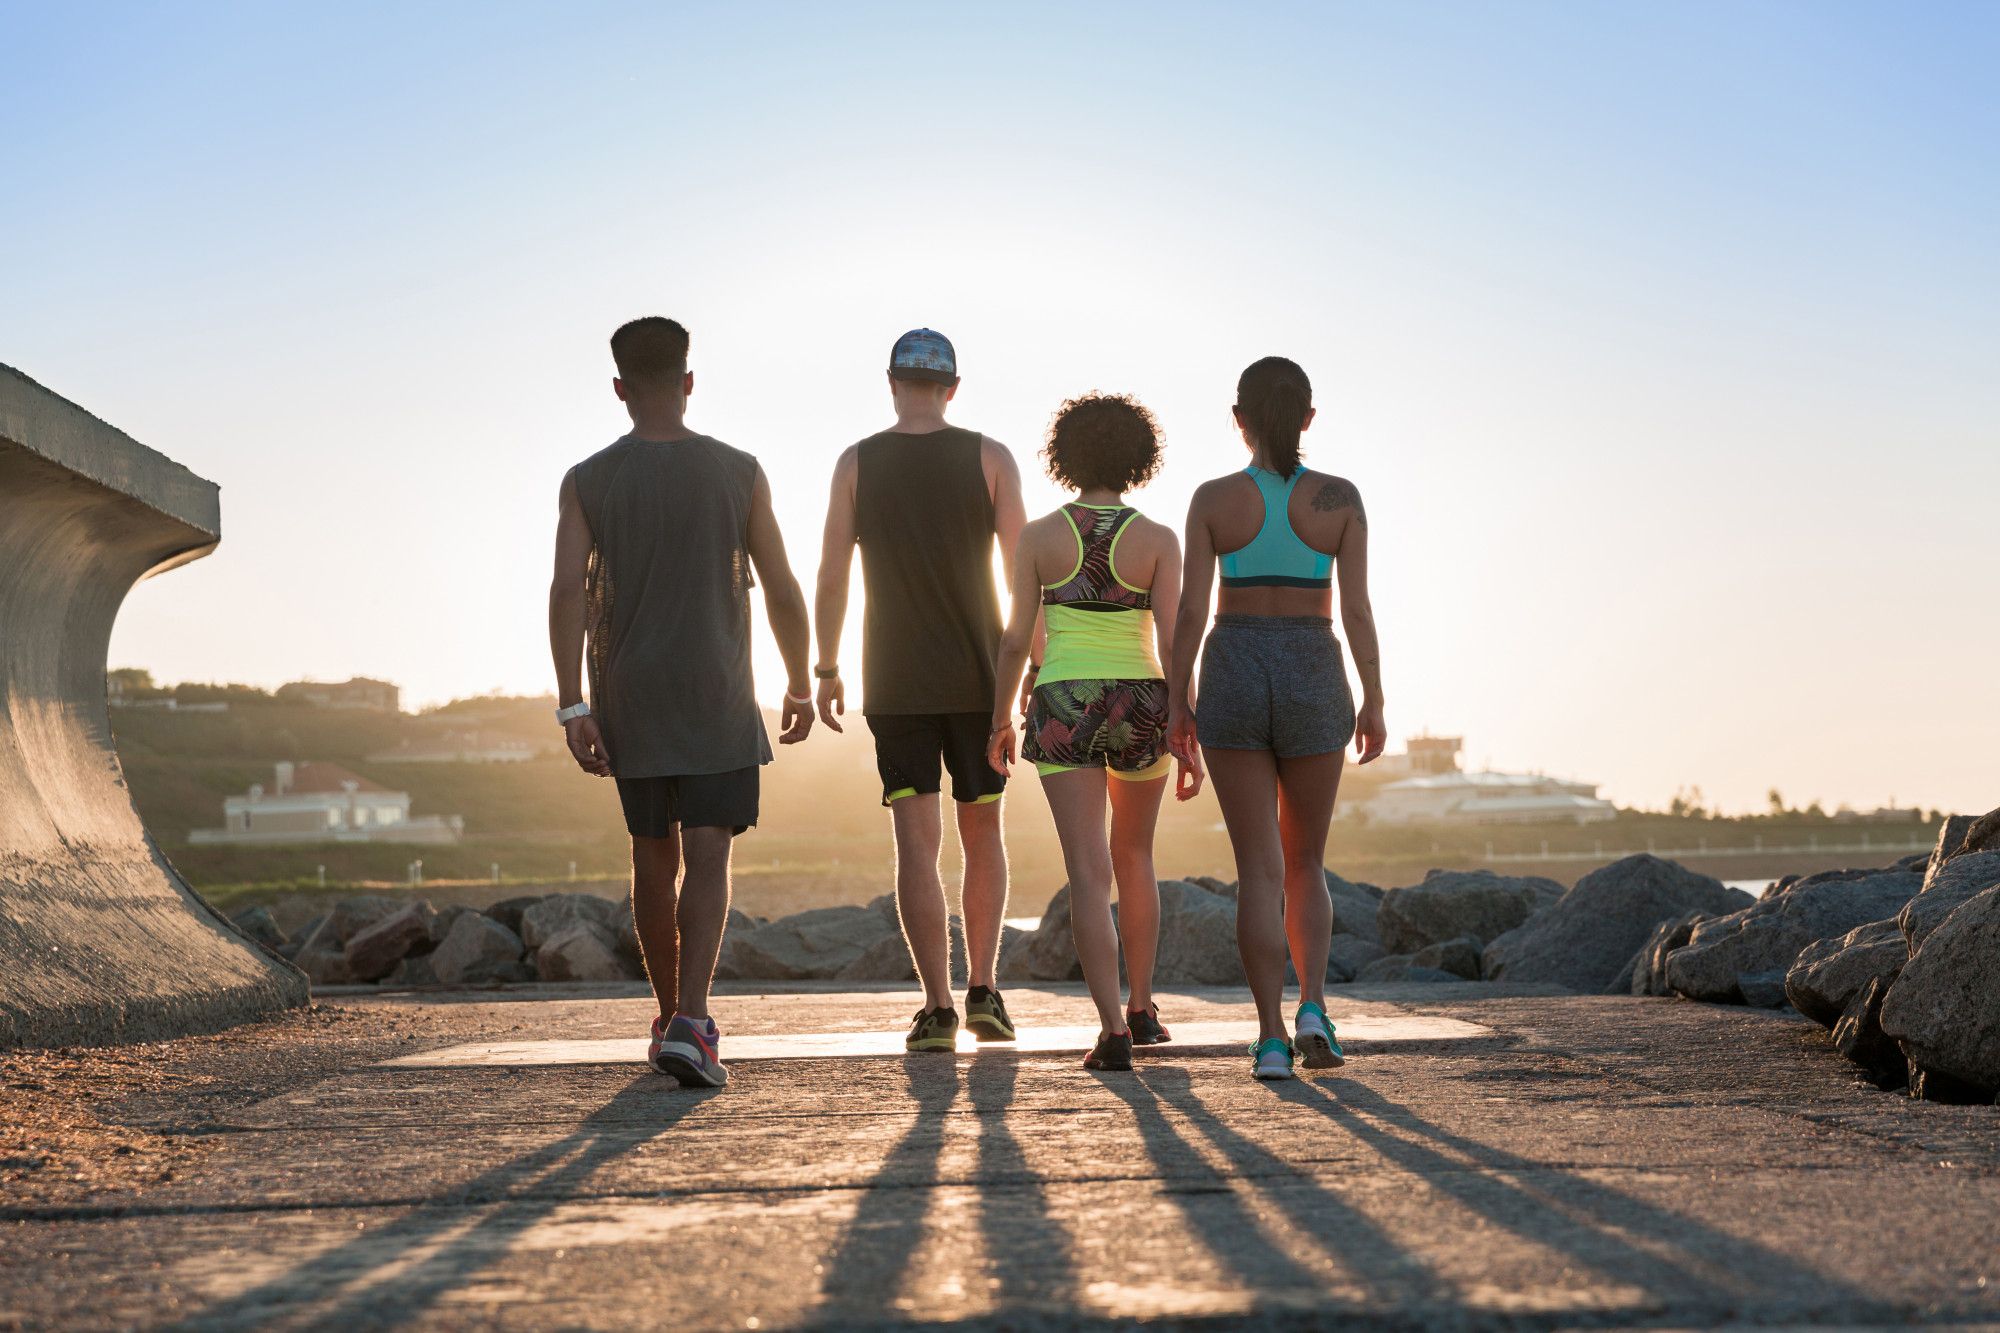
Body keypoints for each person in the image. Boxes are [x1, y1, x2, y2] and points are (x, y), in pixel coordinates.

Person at [549, 316, 814, 1088]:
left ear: (621, 388)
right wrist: (799, 679)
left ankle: (670, 1016)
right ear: (690, 381)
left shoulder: (587, 478)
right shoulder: (741, 470)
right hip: (719, 692)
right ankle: (694, 1020)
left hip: (629, 695)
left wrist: (573, 704)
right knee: (709, 853)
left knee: (651, 856)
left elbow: (567, 589)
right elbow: (783, 584)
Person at [1166, 356, 1386, 1082]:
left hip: (1232, 665)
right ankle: (1315, 1007)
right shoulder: (1341, 499)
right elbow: (1354, 611)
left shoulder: (1213, 500)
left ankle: (1268, 1039)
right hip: (1314, 668)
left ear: (1240, 420)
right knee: (1305, 862)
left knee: (1258, 870)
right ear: (1308, 418)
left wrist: (1178, 703)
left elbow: (1192, 613)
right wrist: (1374, 696)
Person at [814, 329, 1028, 1053]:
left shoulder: (856, 464)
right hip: (980, 680)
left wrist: (825, 667)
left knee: (916, 843)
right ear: (953, 388)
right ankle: (985, 989)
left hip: (896, 682)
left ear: (891, 382)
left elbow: (832, 574)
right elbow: (1023, 572)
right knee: (983, 832)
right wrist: (1026, 668)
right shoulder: (990, 457)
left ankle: (937, 1007)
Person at [986, 393, 1203, 1072]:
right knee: (1134, 855)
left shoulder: (1041, 537)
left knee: (1087, 869)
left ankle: (1109, 1027)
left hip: (1063, 700)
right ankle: (1143, 1007)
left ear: (1066, 456)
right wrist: (1186, 723)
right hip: (1142, 698)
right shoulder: (1159, 540)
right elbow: (1175, 642)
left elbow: (1018, 636)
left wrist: (1000, 717)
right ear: (1140, 457)